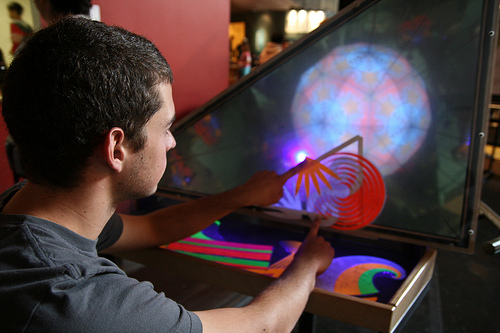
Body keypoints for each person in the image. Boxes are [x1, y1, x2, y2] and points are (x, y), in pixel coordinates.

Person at [0, 17, 335, 332]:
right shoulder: (79, 299)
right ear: (117, 148)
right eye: (166, 128)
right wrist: (306, 265)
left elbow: (153, 227)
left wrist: (243, 195)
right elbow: (263, 326)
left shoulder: (29, 211)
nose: (173, 142)